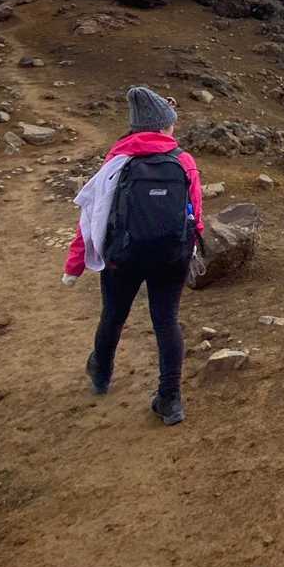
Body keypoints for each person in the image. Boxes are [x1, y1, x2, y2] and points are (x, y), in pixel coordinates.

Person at [62, 86, 203, 425]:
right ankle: (170, 400)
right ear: (163, 125)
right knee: (166, 320)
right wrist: (191, 251)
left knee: (113, 314)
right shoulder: (183, 161)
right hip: (171, 256)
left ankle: (101, 374)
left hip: (123, 257)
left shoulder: (117, 162)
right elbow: (195, 215)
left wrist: (75, 265)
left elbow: (92, 218)